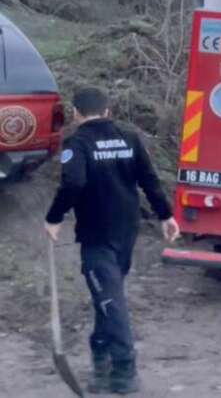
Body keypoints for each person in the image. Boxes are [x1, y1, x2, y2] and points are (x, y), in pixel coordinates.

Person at [43, 86, 180, 394]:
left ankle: (124, 370)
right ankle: (101, 353)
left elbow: (73, 183)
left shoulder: (77, 143)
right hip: (126, 230)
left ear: (76, 113)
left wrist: (53, 218)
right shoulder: (130, 138)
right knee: (108, 294)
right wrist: (166, 215)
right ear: (107, 111)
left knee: (110, 300)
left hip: (97, 234)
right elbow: (149, 180)